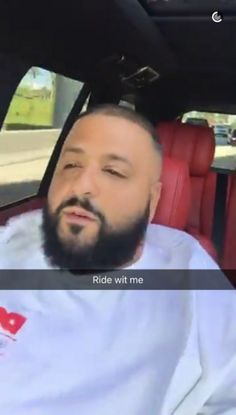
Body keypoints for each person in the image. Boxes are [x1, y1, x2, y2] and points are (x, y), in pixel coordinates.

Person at [0, 105, 235, 415]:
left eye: (113, 171)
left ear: (152, 203)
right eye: (70, 164)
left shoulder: (194, 287)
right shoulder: (13, 239)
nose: (80, 185)